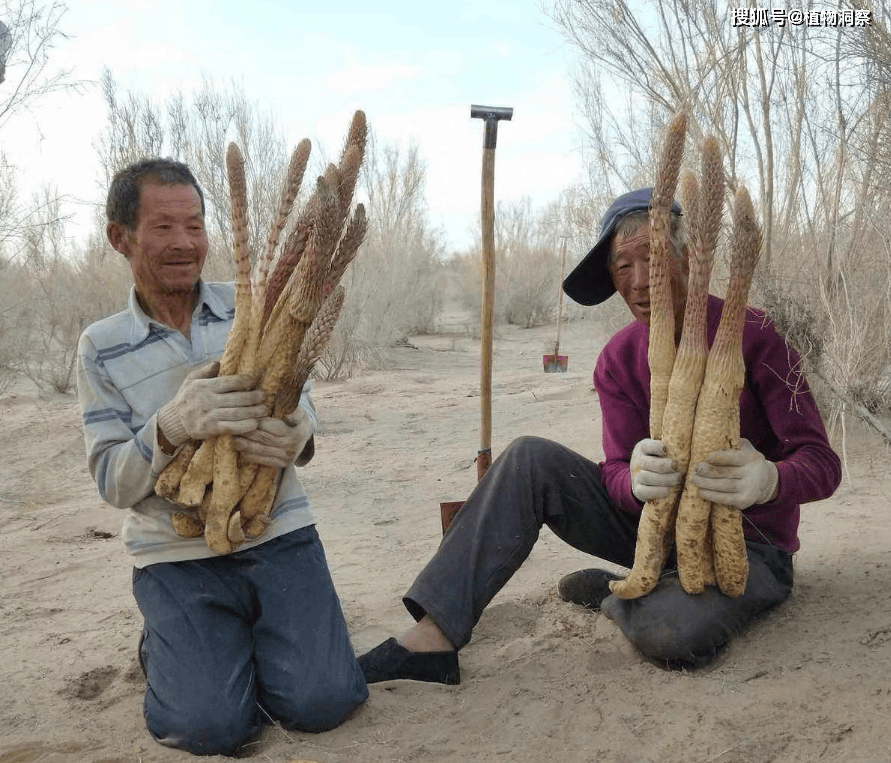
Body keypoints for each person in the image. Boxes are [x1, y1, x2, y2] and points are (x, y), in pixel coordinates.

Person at [357, 187, 841, 683]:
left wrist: (770, 481)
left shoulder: (758, 333)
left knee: (670, 633)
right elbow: (612, 471)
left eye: (651, 260)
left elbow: (822, 462)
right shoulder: (619, 358)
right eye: (621, 267)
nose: (638, 284)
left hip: (750, 548)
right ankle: (433, 637)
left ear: (688, 257)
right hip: (653, 535)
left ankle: (619, 596)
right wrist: (631, 480)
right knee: (529, 459)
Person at [76, 158, 367, 756]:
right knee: (209, 727)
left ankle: (240, 649)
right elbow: (111, 479)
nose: (184, 243)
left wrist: (296, 435)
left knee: (324, 702)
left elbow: (301, 403)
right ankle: (178, 647)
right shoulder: (101, 347)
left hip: (275, 532)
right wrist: (172, 425)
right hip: (174, 552)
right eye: (162, 227)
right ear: (120, 236)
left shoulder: (255, 302)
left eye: (195, 225)